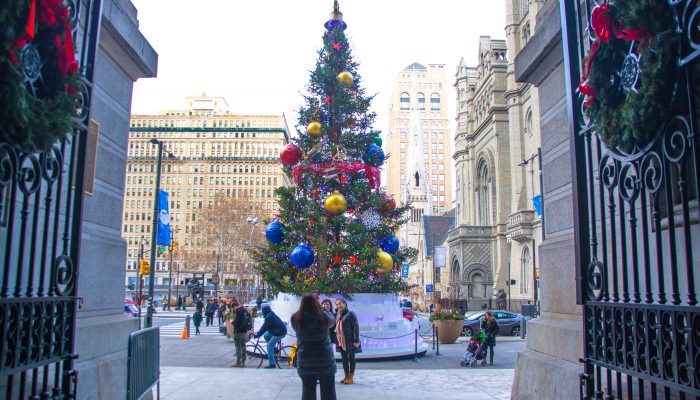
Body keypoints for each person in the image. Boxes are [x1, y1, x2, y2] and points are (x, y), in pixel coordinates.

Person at [291, 293, 337, 400]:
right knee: (329, 392)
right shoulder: (324, 316)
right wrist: (324, 308)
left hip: (305, 360)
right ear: (317, 303)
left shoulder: (296, 318)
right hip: (325, 360)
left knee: (307, 392)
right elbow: (332, 321)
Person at [253, 304, 287, 368]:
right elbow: (265, 327)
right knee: (266, 335)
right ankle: (274, 349)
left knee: (269, 345)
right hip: (277, 331)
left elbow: (264, 327)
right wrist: (259, 333)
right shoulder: (270, 314)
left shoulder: (269, 317)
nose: (262, 313)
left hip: (280, 333)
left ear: (265, 311)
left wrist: (258, 335)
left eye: (263, 311)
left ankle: (272, 364)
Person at [335, 299, 360, 384]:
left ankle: (351, 376)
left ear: (345, 304)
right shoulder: (339, 314)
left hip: (349, 340)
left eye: (340, 303)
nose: (339, 306)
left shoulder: (350, 313)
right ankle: (346, 375)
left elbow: (356, 327)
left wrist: (356, 340)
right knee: (344, 359)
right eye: (337, 304)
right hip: (340, 341)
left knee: (351, 358)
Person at [232, 302, 251, 367]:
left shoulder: (238, 312)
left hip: (239, 331)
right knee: (243, 346)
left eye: (233, 308)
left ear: (235, 306)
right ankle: (243, 361)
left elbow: (237, 321)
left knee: (238, 347)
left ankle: (238, 362)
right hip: (244, 331)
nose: (233, 309)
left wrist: (232, 322)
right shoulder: (245, 311)